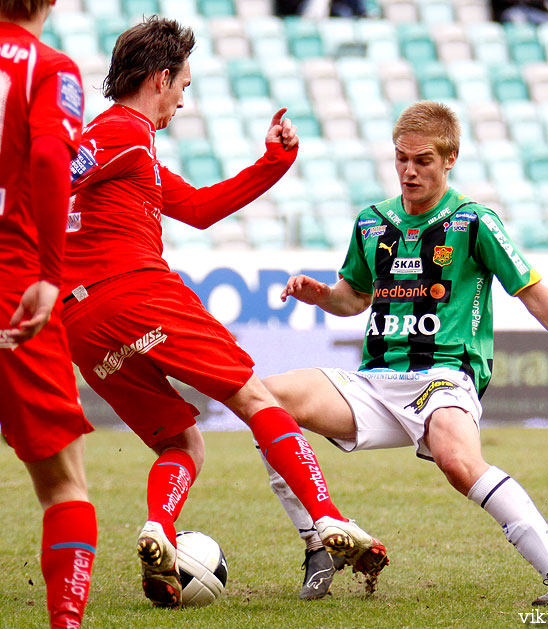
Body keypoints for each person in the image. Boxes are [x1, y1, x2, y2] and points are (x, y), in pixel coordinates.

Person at [258, 101, 548, 604]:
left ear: (450, 159)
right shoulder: (372, 222)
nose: (408, 170)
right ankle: (320, 542)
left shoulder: (474, 222)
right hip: (374, 383)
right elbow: (355, 297)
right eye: (401, 158)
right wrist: (322, 295)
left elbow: (533, 291)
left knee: (456, 459)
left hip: (444, 379)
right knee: (265, 400)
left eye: (422, 160)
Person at [59, 16, 387, 609]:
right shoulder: (121, 134)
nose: (184, 100)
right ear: (161, 78)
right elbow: (58, 173)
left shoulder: (134, 152)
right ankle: (328, 519)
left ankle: (159, 528)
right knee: (256, 398)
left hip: (83, 324)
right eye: (183, 85)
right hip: (136, 291)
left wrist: (272, 164)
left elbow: (201, 209)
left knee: (183, 443)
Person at [0, 1, 98, 627]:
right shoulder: (47, 66)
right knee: (63, 483)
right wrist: (47, 276)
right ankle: (64, 621)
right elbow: (46, 157)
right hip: (11, 276)